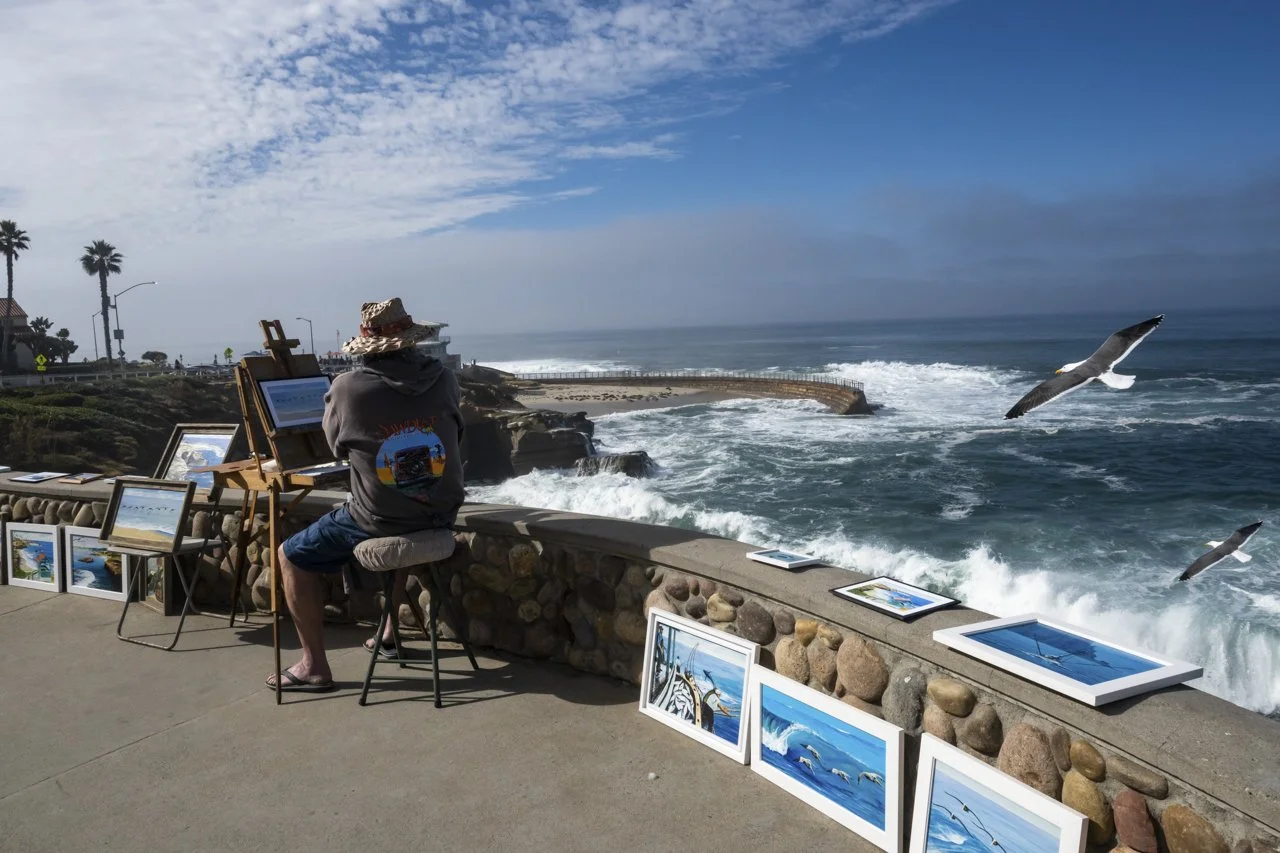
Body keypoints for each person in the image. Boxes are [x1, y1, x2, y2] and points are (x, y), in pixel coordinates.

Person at [266, 297, 465, 691]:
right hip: (441, 514)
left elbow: (335, 447)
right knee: (402, 509)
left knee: (289, 556)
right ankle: (389, 631)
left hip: (380, 520)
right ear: (411, 341)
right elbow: (454, 434)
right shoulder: (445, 379)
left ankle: (313, 666)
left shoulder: (348, 388)